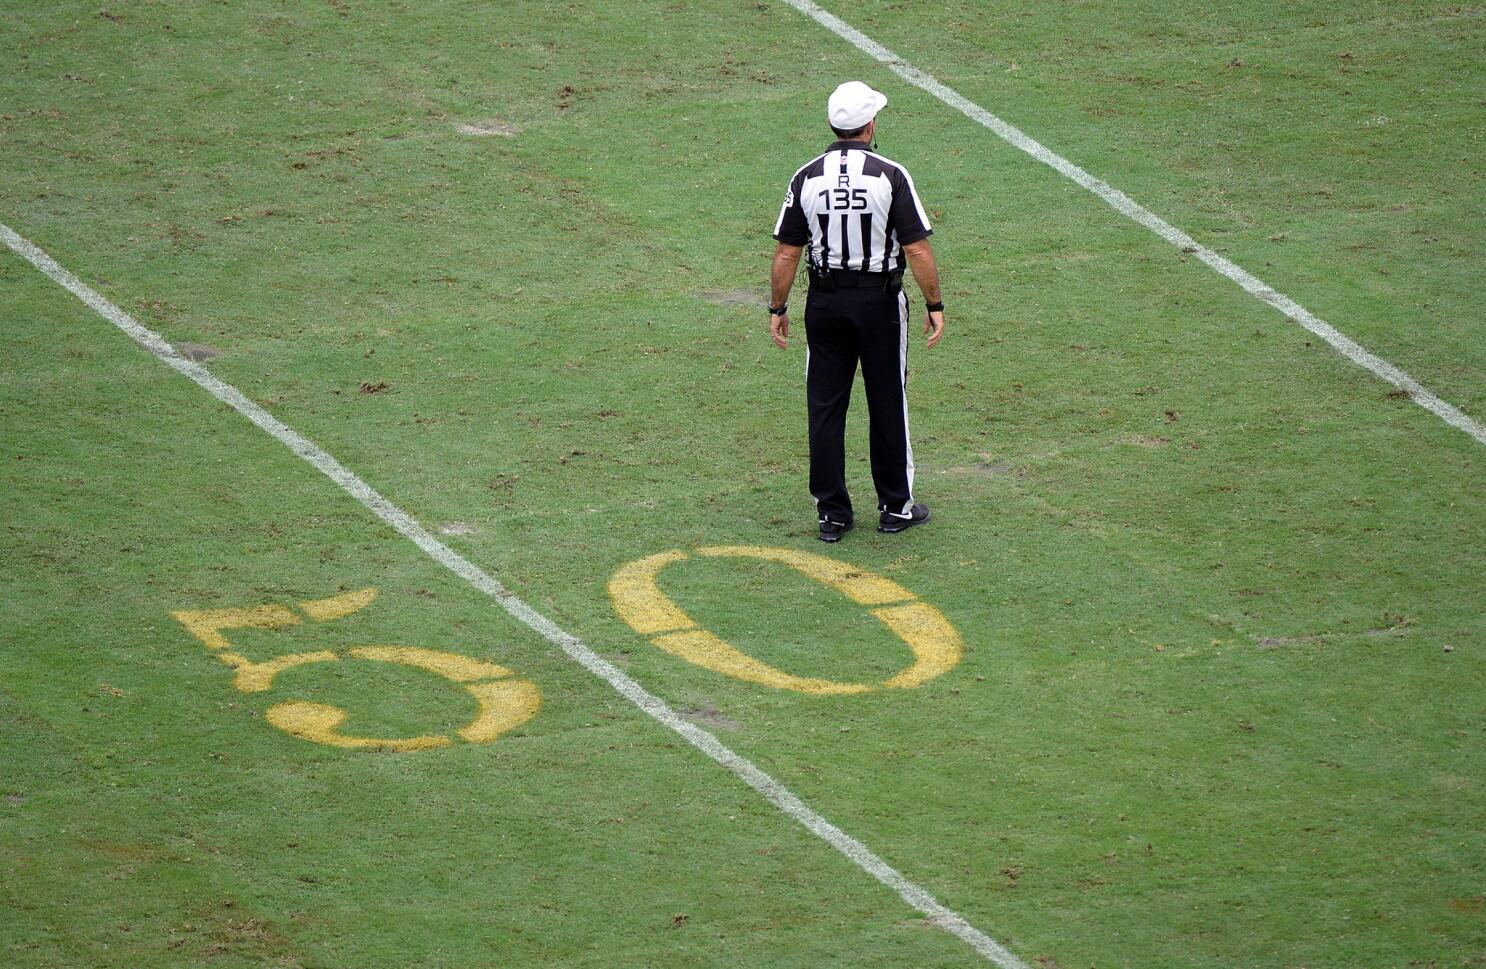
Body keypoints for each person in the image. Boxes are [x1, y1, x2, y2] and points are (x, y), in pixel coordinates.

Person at [768, 80, 945, 543]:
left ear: (833, 125)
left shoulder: (805, 176)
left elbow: (787, 253)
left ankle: (832, 512)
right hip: (879, 302)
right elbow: (918, 249)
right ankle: (895, 507)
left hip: (824, 302)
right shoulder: (890, 174)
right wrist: (934, 303)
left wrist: (778, 306)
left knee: (825, 405)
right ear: (870, 125)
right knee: (888, 401)